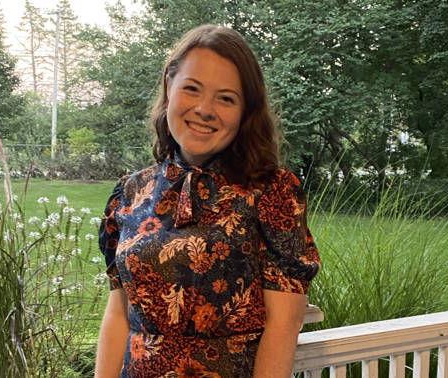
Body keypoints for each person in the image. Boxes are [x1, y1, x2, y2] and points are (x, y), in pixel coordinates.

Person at [95, 24, 320, 378]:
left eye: (226, 98)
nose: (204, 109)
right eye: (192, 89)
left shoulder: (272, 192)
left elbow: (283, 326)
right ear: (169, 88)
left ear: (245, 111)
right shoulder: (132, 192)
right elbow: (119, 315)